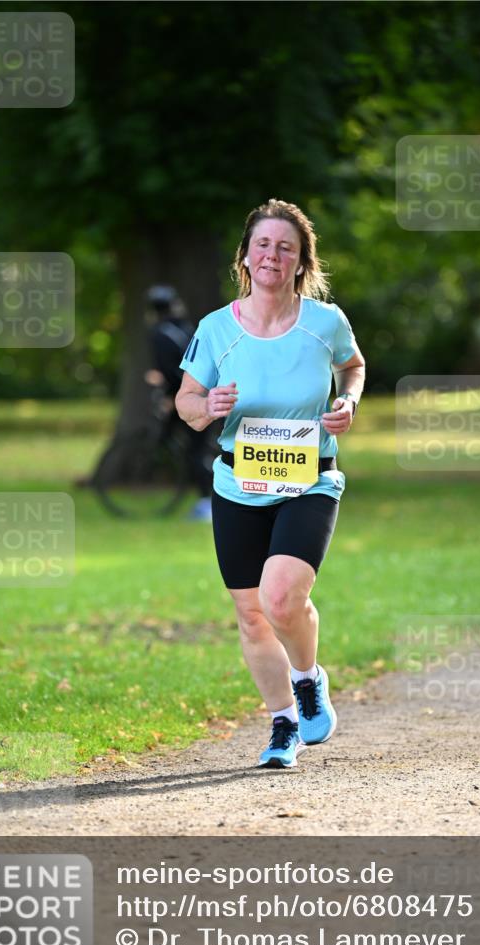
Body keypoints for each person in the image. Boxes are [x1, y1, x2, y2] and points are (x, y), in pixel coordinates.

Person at [175, 199, 365, 768]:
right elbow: (185, 403)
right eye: (263, 245)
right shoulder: (215, 329)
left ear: (301, 260)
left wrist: (347, 401)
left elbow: (353, 366)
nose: (272, 256)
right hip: (238, 483)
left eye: (286, 247)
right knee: (252, 612)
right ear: (246, 256)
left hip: (309, 479)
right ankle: (283, 723)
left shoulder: (325, 322)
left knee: (282, 596)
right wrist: (206, 404)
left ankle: (307, 677)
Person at [146, 286, 214, 520]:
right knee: (196, 447)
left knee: (196, 450)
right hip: (207, 391)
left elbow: (172, 371)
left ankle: (208, 502)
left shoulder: (160, 333)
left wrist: (169, 396)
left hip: (191, 397)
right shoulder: (185, 329)